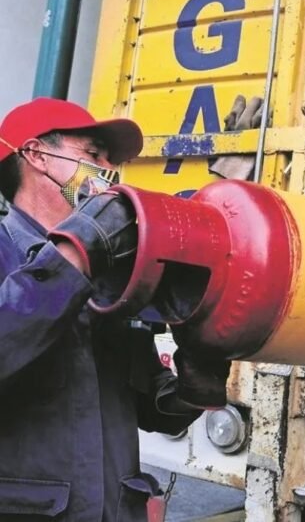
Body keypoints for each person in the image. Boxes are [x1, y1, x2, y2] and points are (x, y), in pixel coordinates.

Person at [0, 97, 230, 522]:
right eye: (94, 154)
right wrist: (79, 251)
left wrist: (193, 385)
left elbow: (152, 408)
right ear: (36, 155)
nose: (108, 170)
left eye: (111, 160)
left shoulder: (113, 276)